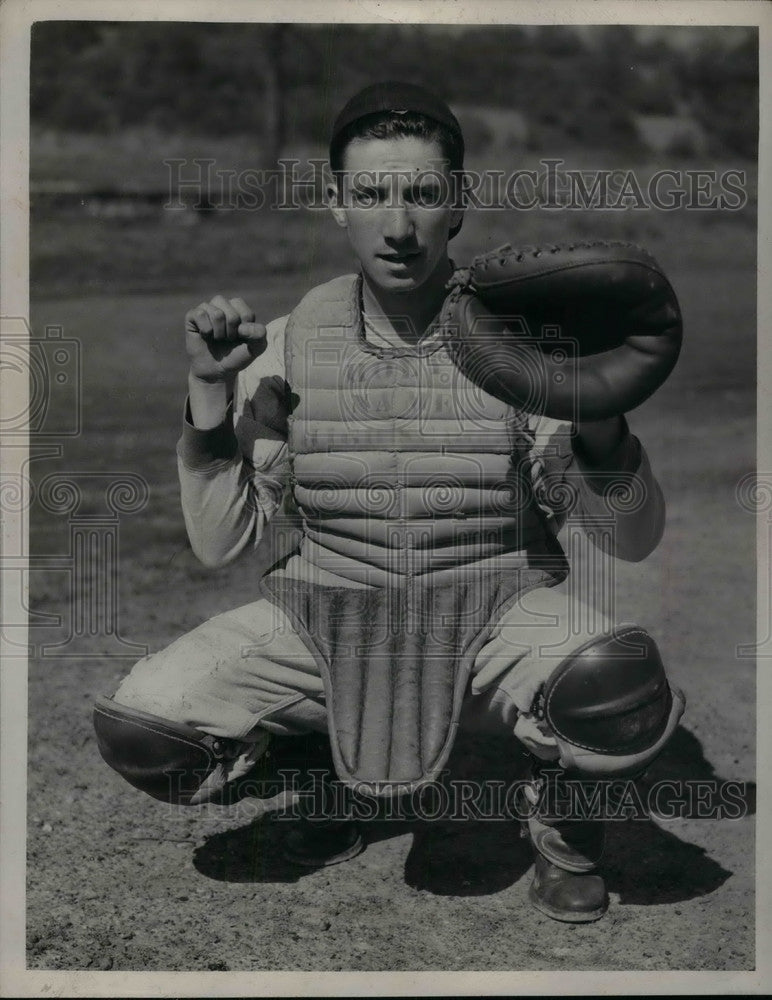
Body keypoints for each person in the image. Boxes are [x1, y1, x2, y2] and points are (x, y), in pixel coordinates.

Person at [93, 81, 685, 923]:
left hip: (495, 609)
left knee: (613, 689)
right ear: (336, 203)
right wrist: (208, 394)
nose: (398, 226)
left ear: (460, 206)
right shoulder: (294, 343)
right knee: (148, 730)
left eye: (423, 194)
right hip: (330, 609)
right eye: (371, 194)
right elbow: (223, 544)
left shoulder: (522, 342)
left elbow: (629, 539)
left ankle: (562, 821)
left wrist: (600, 418)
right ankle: (338, 775)